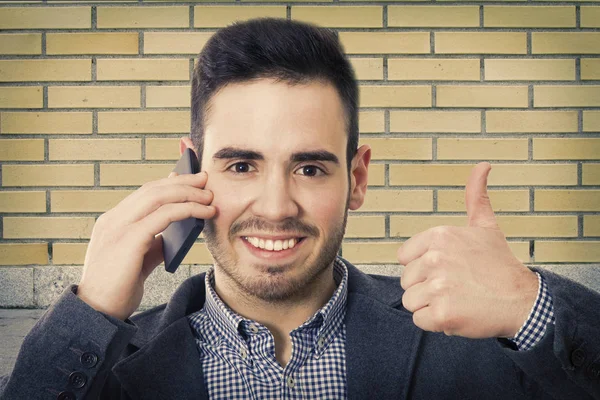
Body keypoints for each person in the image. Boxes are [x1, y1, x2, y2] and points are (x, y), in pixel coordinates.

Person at [1, 18, 599, 400]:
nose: (276, 205)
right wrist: (89, 313)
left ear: (356, 178)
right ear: (191, 170)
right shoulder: (102, 366)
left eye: (310, 167)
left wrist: (528, 304)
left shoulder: (478, 338)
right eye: (241, 165)